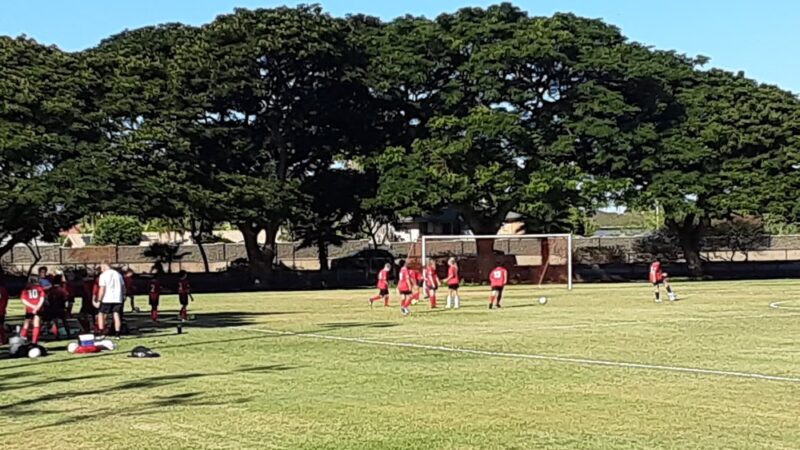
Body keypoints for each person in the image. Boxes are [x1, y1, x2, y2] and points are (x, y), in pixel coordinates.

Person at [96, 260, 125, 339]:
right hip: (118, 298)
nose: (101, 269)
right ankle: (117, 334)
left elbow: (102, 288)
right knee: (116, 314)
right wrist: (123, 295)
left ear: (104, 265)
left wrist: (99, 300)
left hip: (106, 298)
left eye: (101, 267)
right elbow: (123, 286)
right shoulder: (118, 274)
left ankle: (101, 333)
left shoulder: (103, 275)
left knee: (101, 314)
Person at [20, 276, 47, 344]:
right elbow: (42, 298)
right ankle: (34, 341)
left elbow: (23, 300)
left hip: (29, 309)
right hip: (38, 308)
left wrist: (31, 306)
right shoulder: (39, 288)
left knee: (26, 324)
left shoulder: (26, 289)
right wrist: (37, 307)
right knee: (36, 324)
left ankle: (22, 338)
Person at [0, 277, 8, 344]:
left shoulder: (2, 289)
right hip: (1, 310)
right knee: (1, 326)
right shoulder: (3, 289)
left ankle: (2, 340)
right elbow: (6, 300)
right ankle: (2, 340)